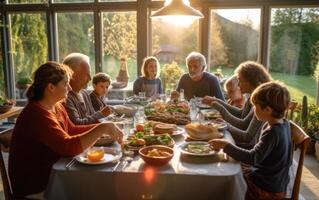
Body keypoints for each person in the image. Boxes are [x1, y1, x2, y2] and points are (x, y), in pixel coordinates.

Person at [9, 62, 123, 198]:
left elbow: (72, 129)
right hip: (36, 187)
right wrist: (102, 128)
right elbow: (68, 147)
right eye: (66, 84)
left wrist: (105, 127)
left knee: (101, 184)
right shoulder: (36, 114)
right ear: (51, 87)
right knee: (101, 189)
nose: (69, 87)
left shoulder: (56, 106)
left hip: (55, 173)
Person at [209, 82, 292, 200]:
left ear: (267, 109)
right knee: (231, 165)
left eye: (255, 107)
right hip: (273, 180)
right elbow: (257, 150)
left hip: (267, 188)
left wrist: (227, 146)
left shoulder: (273, 132)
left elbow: (253, 158)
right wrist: (231, 144)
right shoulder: (283, 123)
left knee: (225, 179)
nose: (253, 110)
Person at [203, 61, 272, 147]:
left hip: (250, 148)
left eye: (240, 80)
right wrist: (216, 101)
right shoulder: (253, 96)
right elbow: (241, 115)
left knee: (210, 140)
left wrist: (225, 124)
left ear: (249, 81)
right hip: (248, 145)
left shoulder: (261, 101)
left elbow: (246, 135)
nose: (238, 85)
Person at [63, 53, 112, 125]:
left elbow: (92, 117)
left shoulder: (85, 93)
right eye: (86, 74)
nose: (90, 78)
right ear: (72, 74)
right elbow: (77, 124)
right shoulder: (66, 98)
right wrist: (101, 114)